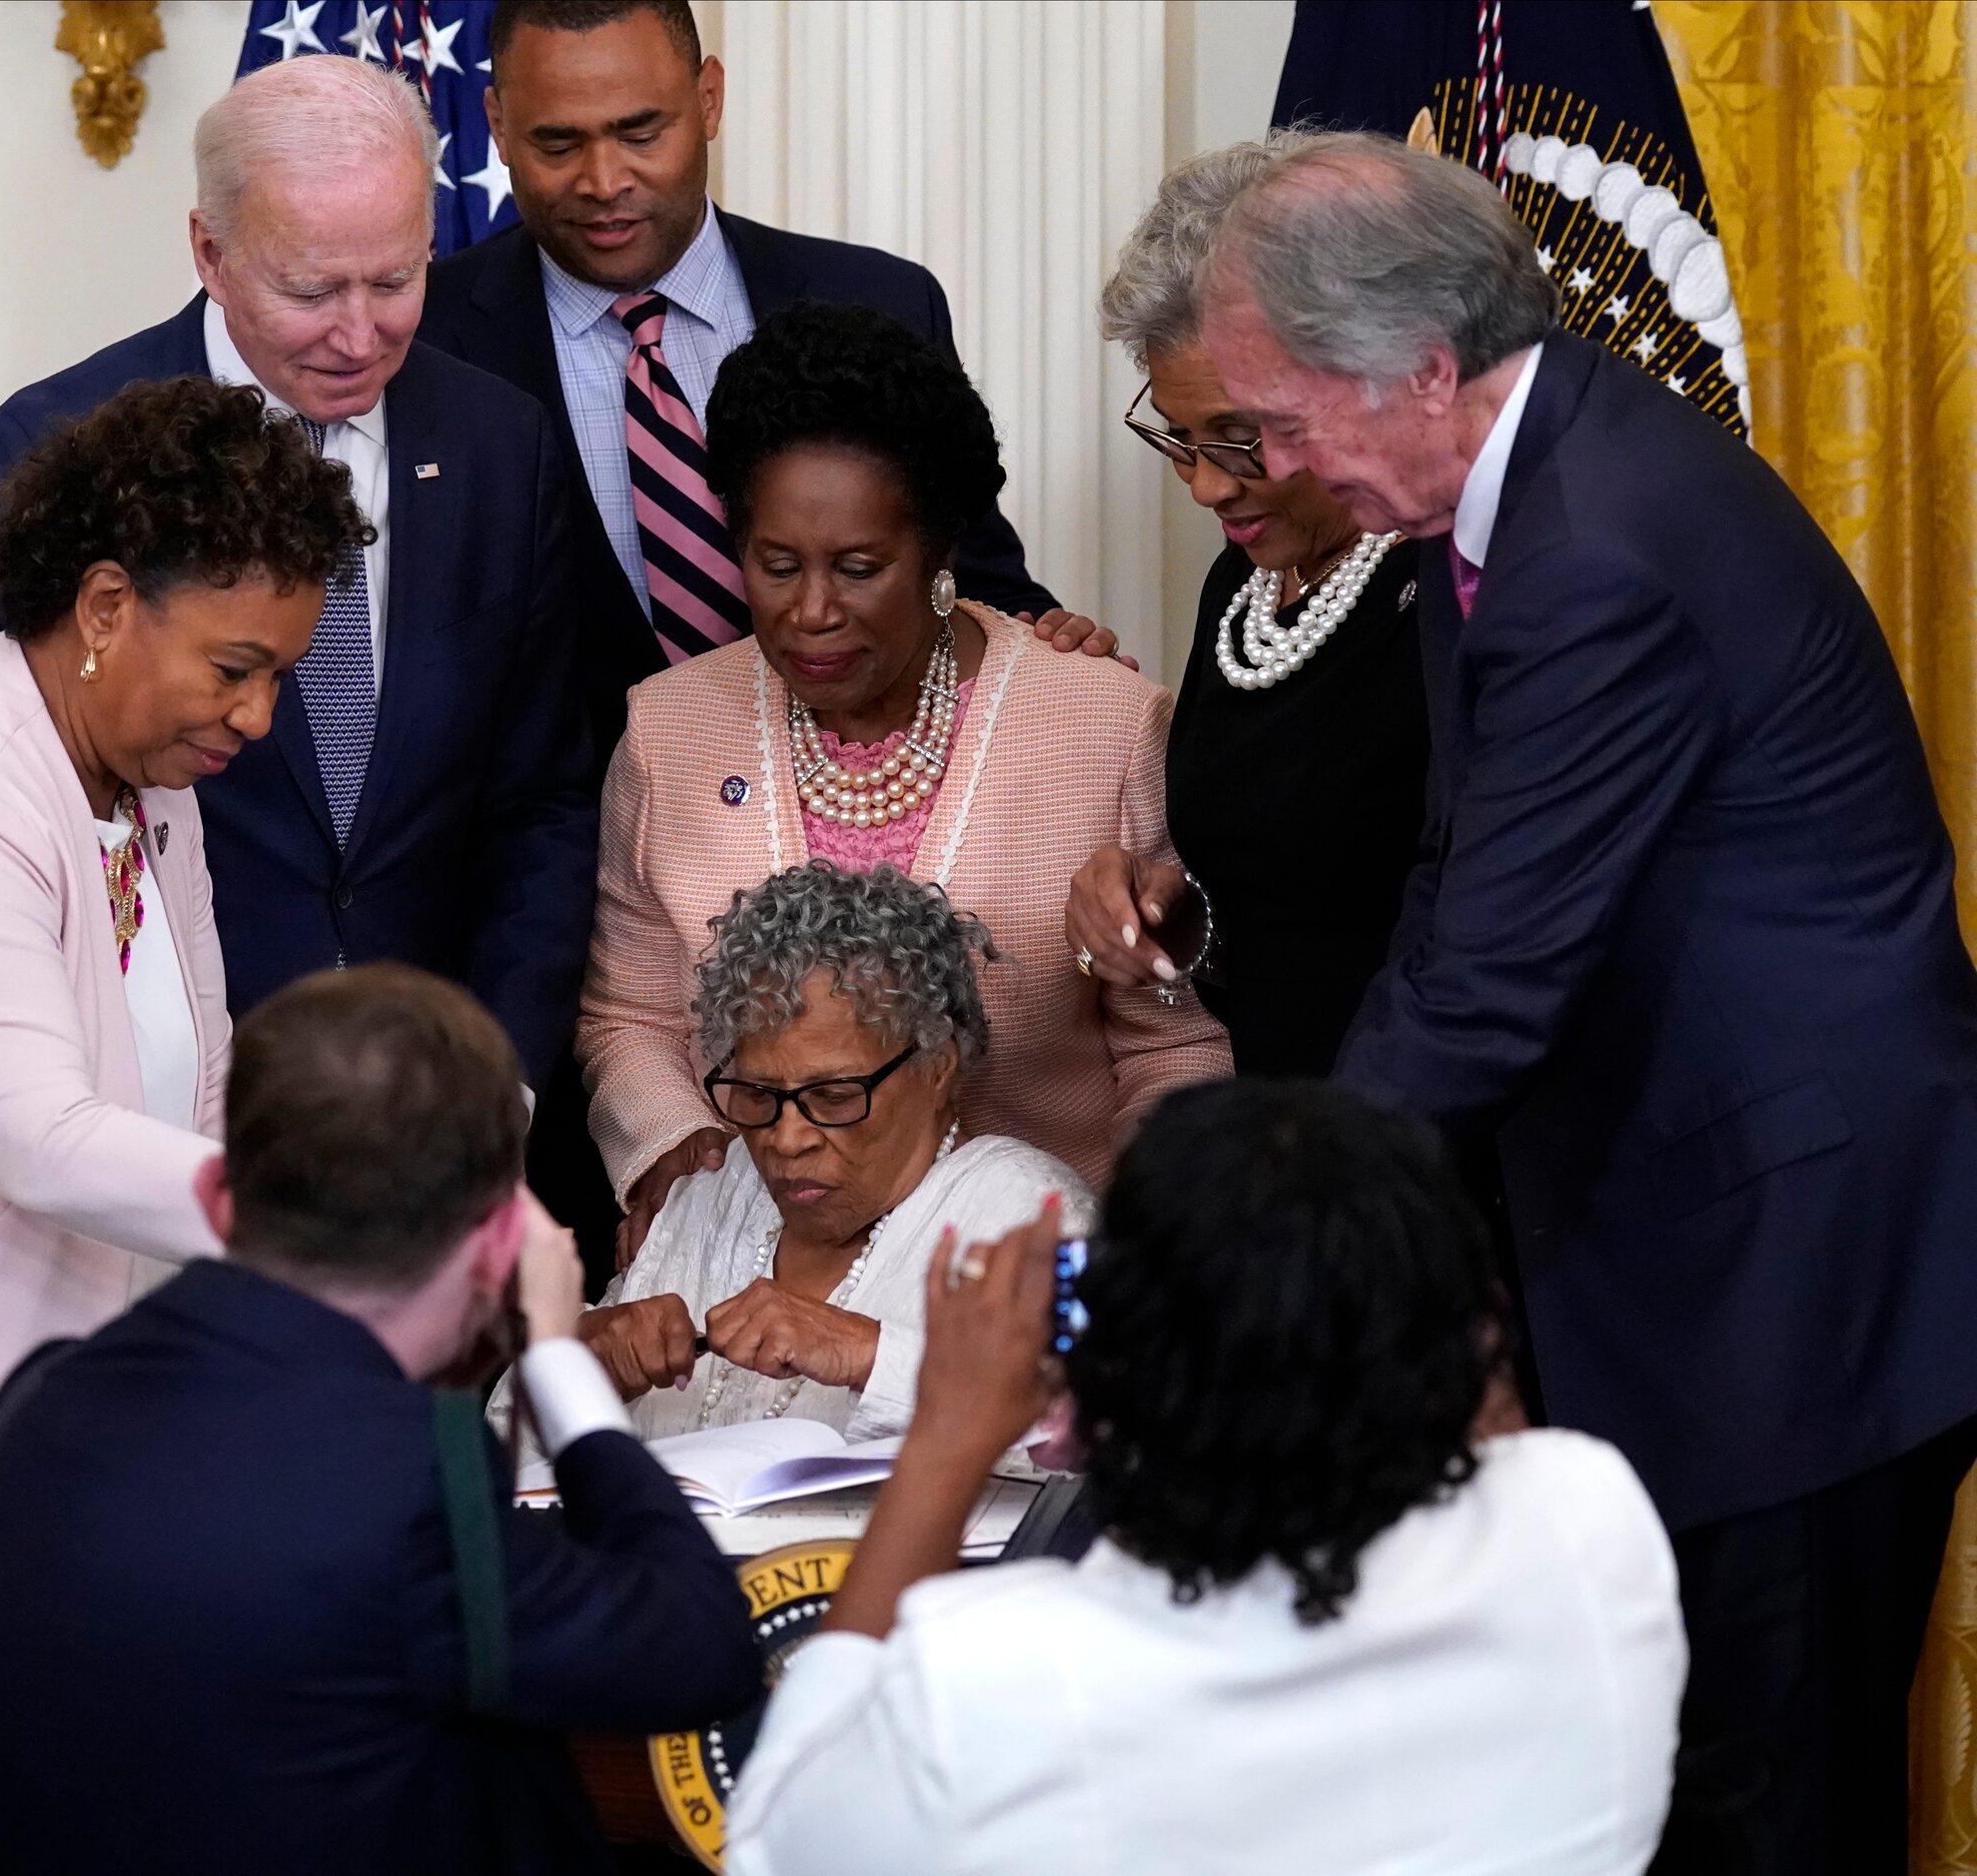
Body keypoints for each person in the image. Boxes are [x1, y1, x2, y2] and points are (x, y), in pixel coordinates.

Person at [1199, 128, 1977, 1874]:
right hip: (1710, 1245)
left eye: (1281, 416)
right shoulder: (1522, 493)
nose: (1274, 461)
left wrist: (1245, 1241)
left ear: (1417, 367)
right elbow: (1451, 888)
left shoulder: (1598, 546)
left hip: (1795, 1278)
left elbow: (1481, 989)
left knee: (1770, 1806)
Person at [727, 1079, 1686, 1874]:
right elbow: (1497, 1433)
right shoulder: (1589, 1525)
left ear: (1114, 1372)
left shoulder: (998, 1675)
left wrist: (945, 1436)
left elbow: (778, 1834)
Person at [0, 965, 762, 1876]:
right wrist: (559, 1359)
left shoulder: (33, 1404)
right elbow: (700, 1648)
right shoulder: (415, 1473)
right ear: (500, 1243)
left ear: (214, 1200)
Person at [0, 380, 366, 1766]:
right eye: (236, 666)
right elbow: (37, 1134)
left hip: (54, 1450)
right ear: (110, 603)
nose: (256, 716)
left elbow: (193, 1090)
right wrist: (350, 1223)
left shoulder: (143, 783)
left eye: (282, 677)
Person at [0, 54, 600, 1116]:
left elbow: (543, 800)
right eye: (311, 289)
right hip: (142, 1097)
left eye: (397, 280)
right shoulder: (55, 448)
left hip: (434, 1106)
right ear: (209, 252)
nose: (360, 333)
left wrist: (495, 1072)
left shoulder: (502, 444)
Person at [580, 302, 1232, 1262]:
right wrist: (687, 1160)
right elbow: (626, 1015)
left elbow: (1169, 1039)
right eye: (776, 565)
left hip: (1031, 1277)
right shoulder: (668, 729)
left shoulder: (1104, 726)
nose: (810, 611)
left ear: (937, 554)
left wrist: (1129, 1244)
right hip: (754, 1272)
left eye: (857, 568)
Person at [422, 0, 1114, 756]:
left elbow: (963, 579)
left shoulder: (878, 299)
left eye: (641, 132)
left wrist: (1051, 651)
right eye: (558, 143)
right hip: (580, 852)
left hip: (876, 817)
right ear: (496, 123)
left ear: (710, 99)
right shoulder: (424, 341)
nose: (603, 180)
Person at [1064, 142, 1427, 1075]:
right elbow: (1282, 892)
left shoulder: (1458, 592)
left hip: (1428, 1152)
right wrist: (1167, 912)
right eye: (1179, 440)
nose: (1202, 487)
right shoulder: (1243, 585)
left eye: (1235, 438)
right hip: (1282, 1138)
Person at [579, 861, 1092, 1437]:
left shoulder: (1028, 1212)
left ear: (938, 1065)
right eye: (757, 1092)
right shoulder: (711, 1196)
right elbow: (506, 1449)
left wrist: (868, 1354)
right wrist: (573, 1372)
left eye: (833, 1096)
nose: (788, 1139)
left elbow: (1103, 1433)